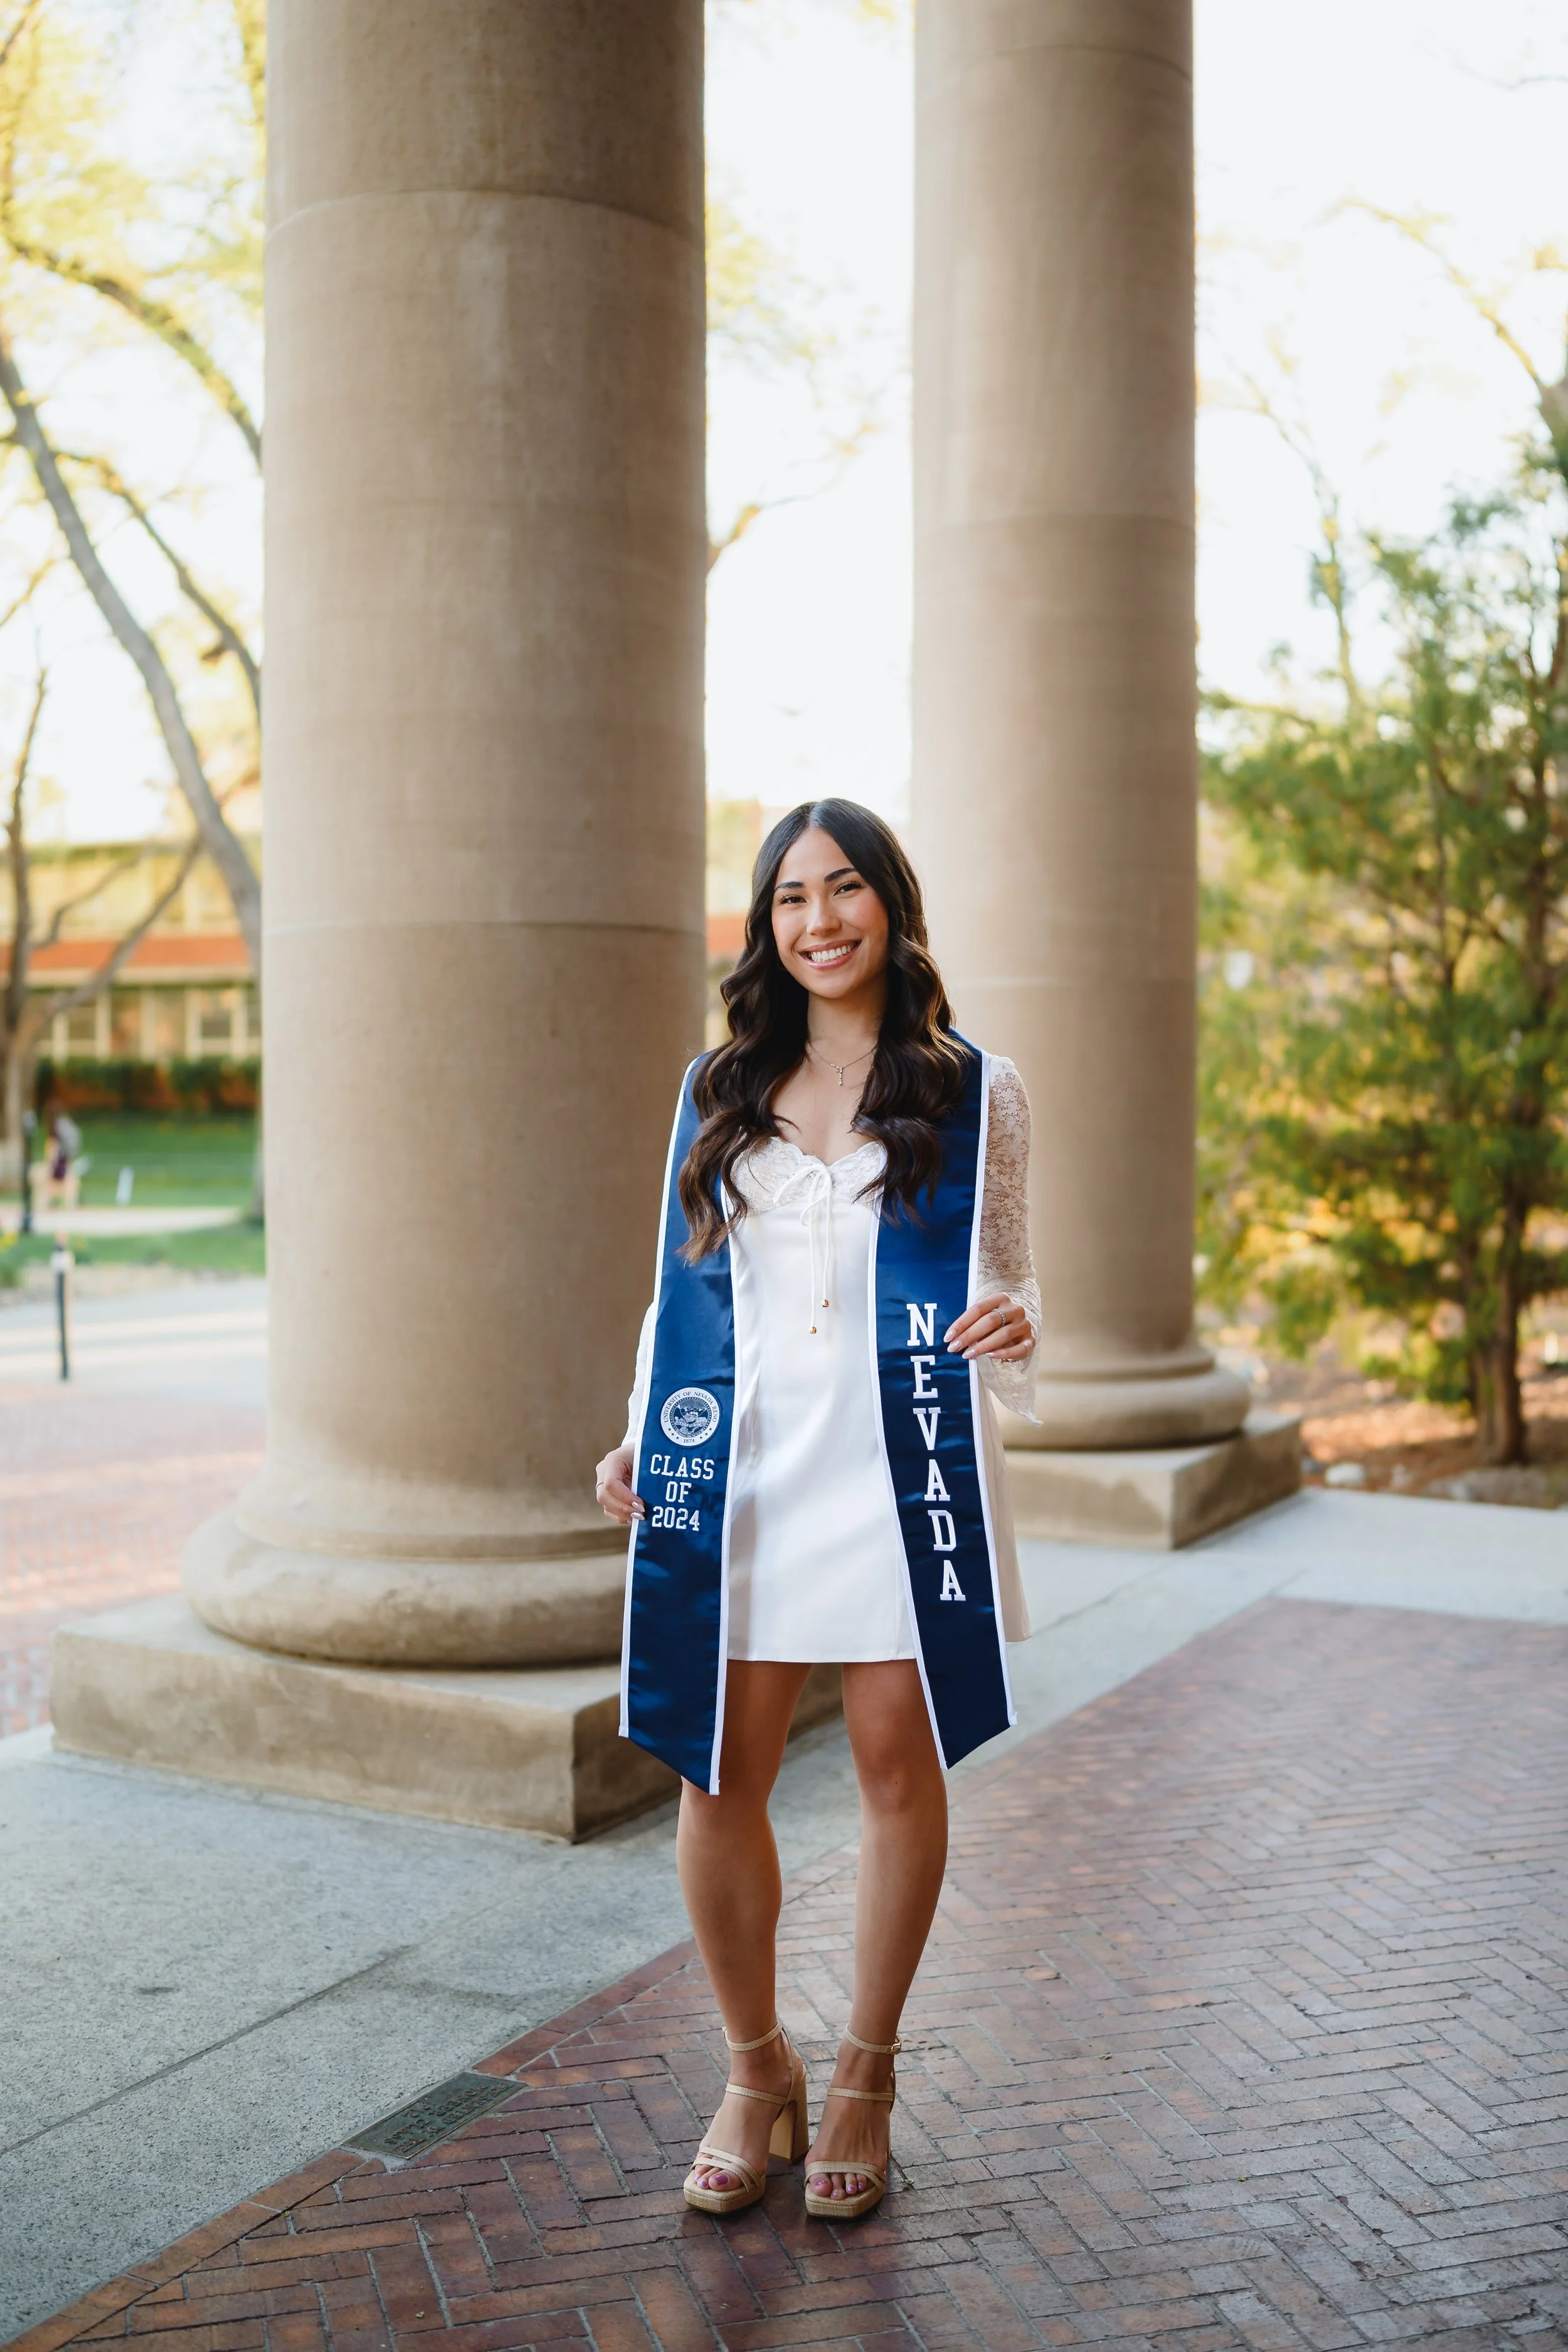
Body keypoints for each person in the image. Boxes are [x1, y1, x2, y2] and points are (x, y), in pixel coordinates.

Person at [594, 798, 1039, 2223]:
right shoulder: (717, 1085)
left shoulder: (976, 1089)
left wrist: (1015, 1325)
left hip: (897, 1466)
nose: (819, 919)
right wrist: (640, 1435)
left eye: (844, 889)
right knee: (715, 1773)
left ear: (889, 905)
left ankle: (863, 2072)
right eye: (792, 897)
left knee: (896, 1764)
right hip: (746, 1467)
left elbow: (1010, 1274)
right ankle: (754, 2067)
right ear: (766, 924)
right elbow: (677, 1286)